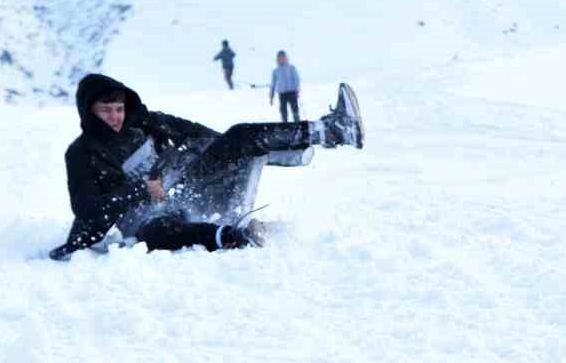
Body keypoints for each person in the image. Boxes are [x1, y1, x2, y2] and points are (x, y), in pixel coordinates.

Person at [49, 72, 363, 260]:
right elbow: (88, 210)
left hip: (190, 190)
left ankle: (333, 131)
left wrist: (238, 152)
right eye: (107, 111)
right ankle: (227, 236)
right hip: (146, 218)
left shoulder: (147, 123)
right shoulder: (81, 154)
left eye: (119, 109)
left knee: (238, 134)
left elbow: (206, 137)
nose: (116, 116)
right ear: (90, 112)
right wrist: (140, 190)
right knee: (157, 231)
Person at [269, 50, 301, 123]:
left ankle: (298, 124)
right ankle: (285, 126)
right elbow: (273, 85)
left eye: (283, 57)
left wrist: (297, 90)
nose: (281, 59)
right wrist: (271, 97)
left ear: (286, 58)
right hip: (282, 94)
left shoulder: (291, 68)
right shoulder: (276, 71)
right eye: (279, 58)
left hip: (292, 92)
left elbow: (296, 79)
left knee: (295, 110)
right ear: (277, 59)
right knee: (283, 111)